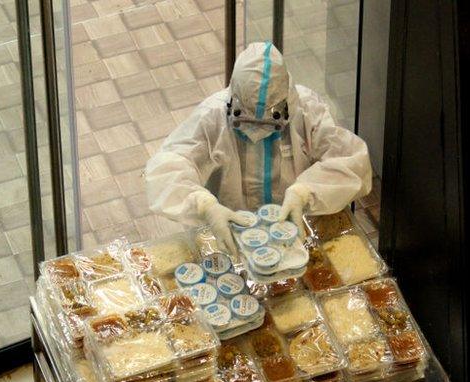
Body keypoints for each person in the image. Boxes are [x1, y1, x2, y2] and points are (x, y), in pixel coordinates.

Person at [144, 42, 373, 251]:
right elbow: (167, 167)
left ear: (286, 105)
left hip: (295, 234)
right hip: (229, 233)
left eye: (270, 124)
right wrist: (205, 207)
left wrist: (305, 192)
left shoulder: (307, 110)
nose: (256, 134)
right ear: (233, 100)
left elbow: (351, 162)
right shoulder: (211, 117)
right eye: (245, 120)